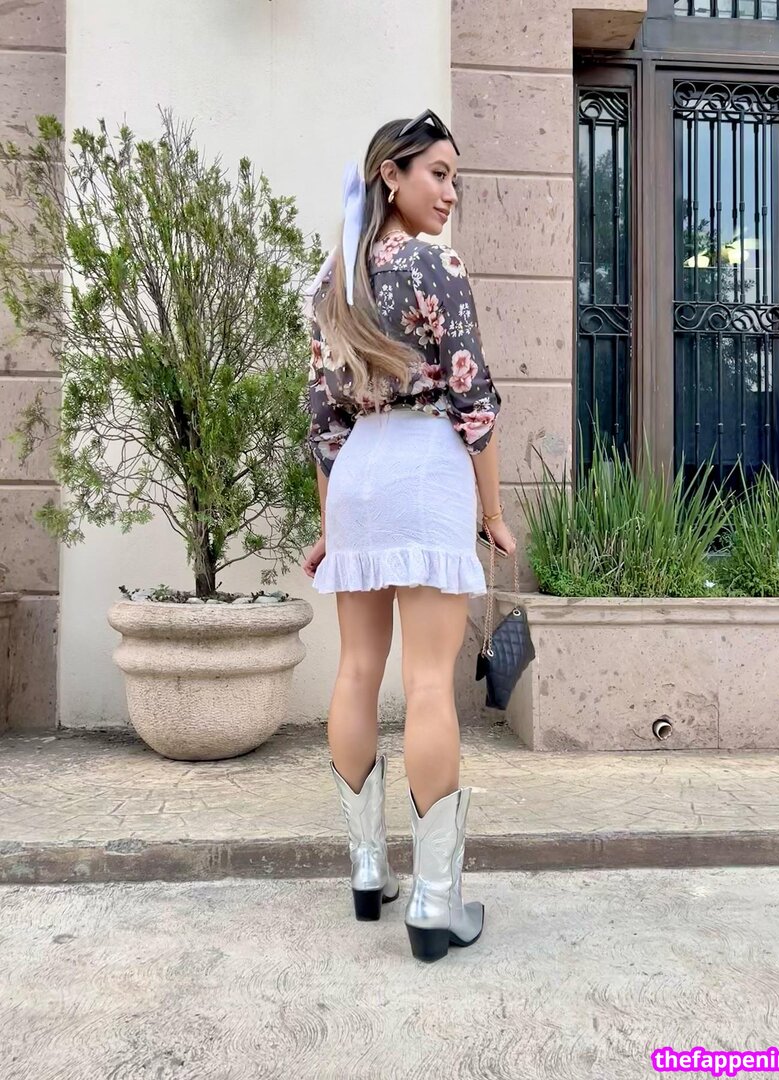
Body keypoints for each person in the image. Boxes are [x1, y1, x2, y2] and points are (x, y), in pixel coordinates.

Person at [301, 109, 516, 964]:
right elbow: (474, 401)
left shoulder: (333, 279)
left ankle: (367, 869)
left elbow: (323, 422)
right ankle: (434, 901)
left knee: (357, 670)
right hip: (426, 468)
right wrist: (491, 513)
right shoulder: (437, 267)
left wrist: (330, 527)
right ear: (390, 175)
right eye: (438, 173)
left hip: (358, 473)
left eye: (456, 177)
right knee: (428, 683)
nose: (451, 192)